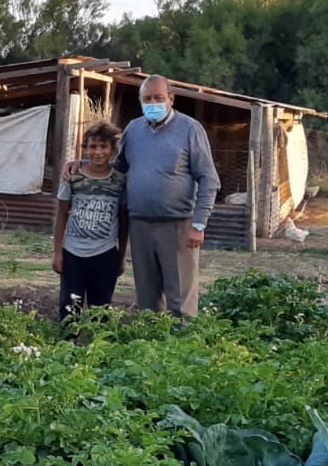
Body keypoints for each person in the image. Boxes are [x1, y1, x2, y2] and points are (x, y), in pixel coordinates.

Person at [63, 74, 220, 318]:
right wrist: (83, 163)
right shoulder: (134, 129)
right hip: (139, 224)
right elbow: (119, 166)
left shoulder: (190, 129)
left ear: (171, 98)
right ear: (140, 101)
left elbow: (208, 179)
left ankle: (185, 347)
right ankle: (152, 343)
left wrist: (199, 224)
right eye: (147, 99)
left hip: (177, 224)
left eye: (159, 98)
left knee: (179, 293)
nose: (153, 103)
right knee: (147, 294)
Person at [53, 121, 128, 321]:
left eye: (103, 146)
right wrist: (58, 252)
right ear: (84, 149)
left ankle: (99, 349)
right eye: (92, 146)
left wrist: (121, 257)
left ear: (112, 150)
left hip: (105, 254)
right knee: (69, 307)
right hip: (73, 254)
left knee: (101, 308)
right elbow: (61, 215)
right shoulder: (73, 176)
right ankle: (66, 347)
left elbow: (123, 221)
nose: (97, 152)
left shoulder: (120, 181)